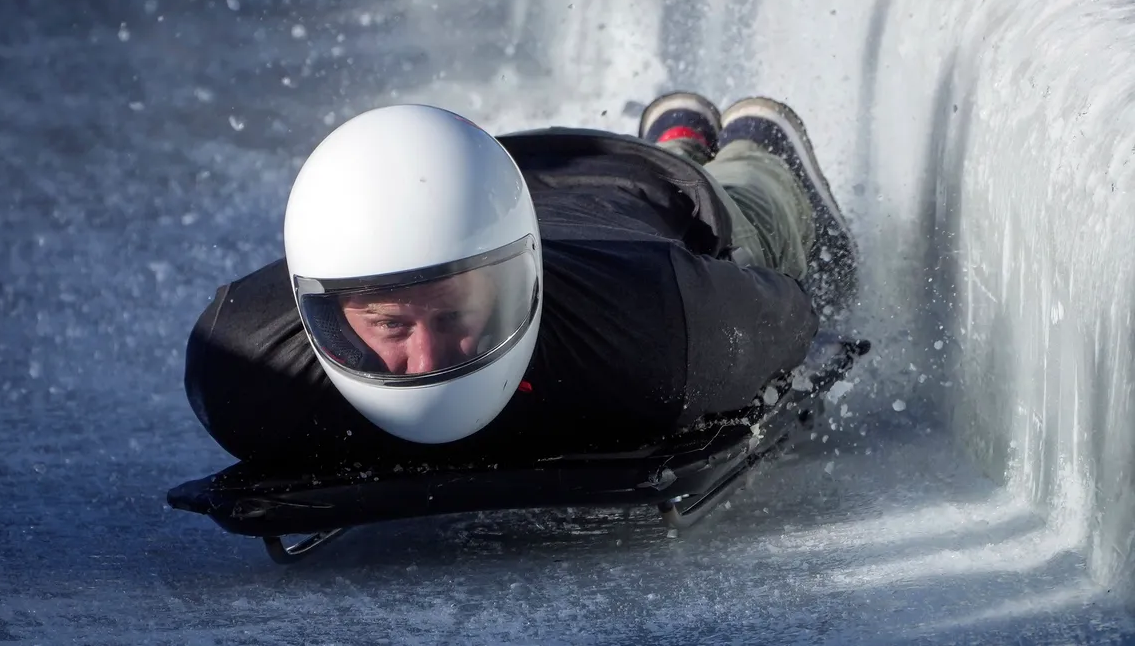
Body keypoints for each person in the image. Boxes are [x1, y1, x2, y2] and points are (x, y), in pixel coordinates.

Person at [183, 92, 857, 467]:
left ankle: (745, 148)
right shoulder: (240, 366)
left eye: (453, 315)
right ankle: (676, 130)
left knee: (750, 216)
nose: (428, 360)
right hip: (497, 177)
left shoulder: (668, 330)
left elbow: (793, 313)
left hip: (638, 198)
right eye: (390, 323)